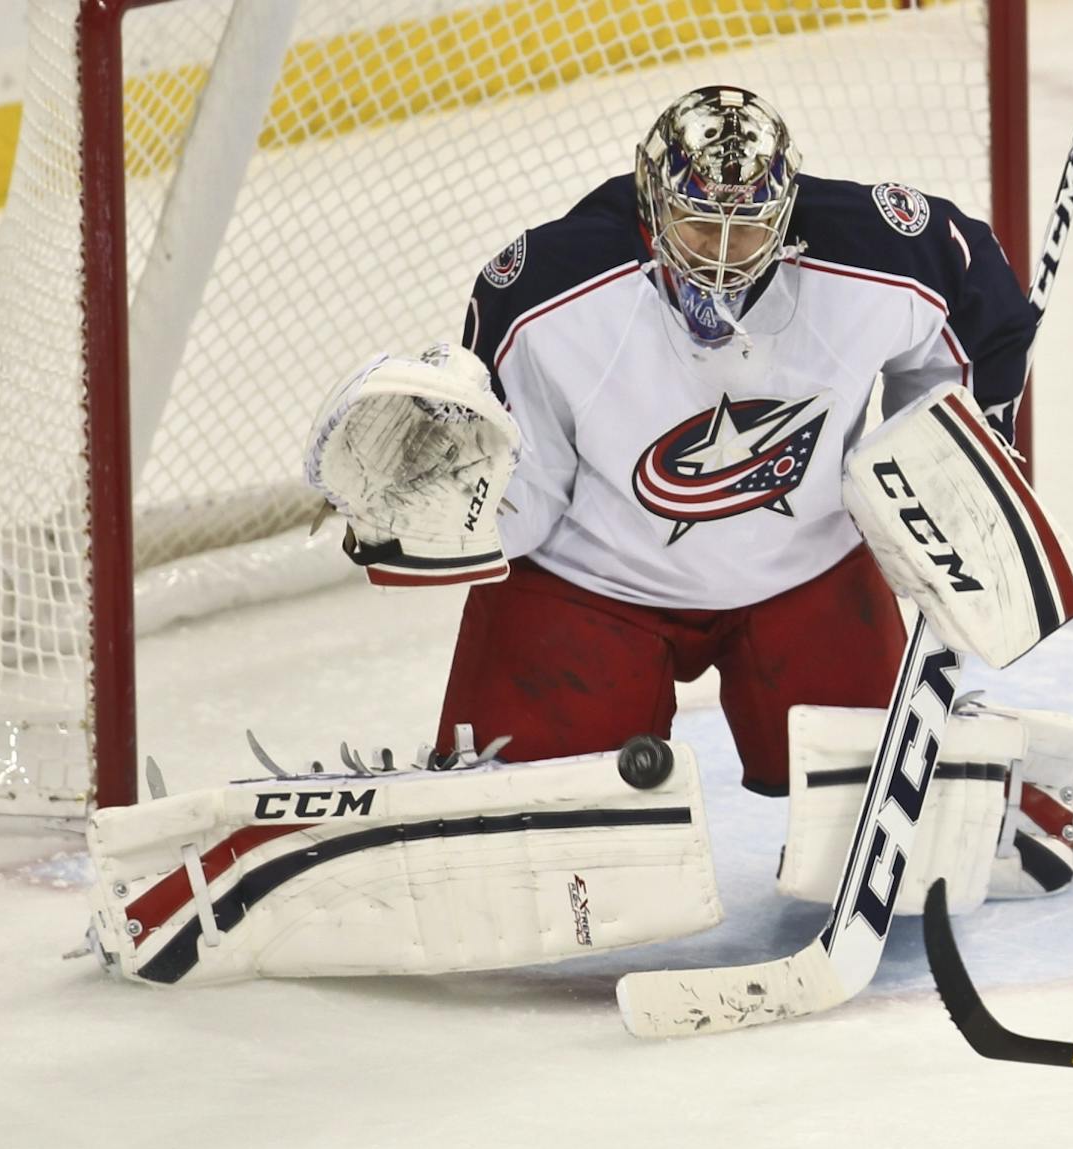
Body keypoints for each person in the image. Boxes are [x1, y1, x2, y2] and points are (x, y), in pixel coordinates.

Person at [439, 84, 1039, 795]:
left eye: (749, 226)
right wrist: (452, 523)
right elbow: (522, 481)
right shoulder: (548, 291)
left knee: (876, 798)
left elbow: (983, 311)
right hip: (595, 585)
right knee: (523, 804)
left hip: (806, 576)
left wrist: (947, 470)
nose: (722, 255)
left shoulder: (875, 255)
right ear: (651, 200)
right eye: (697, 224)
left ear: (787, 211)